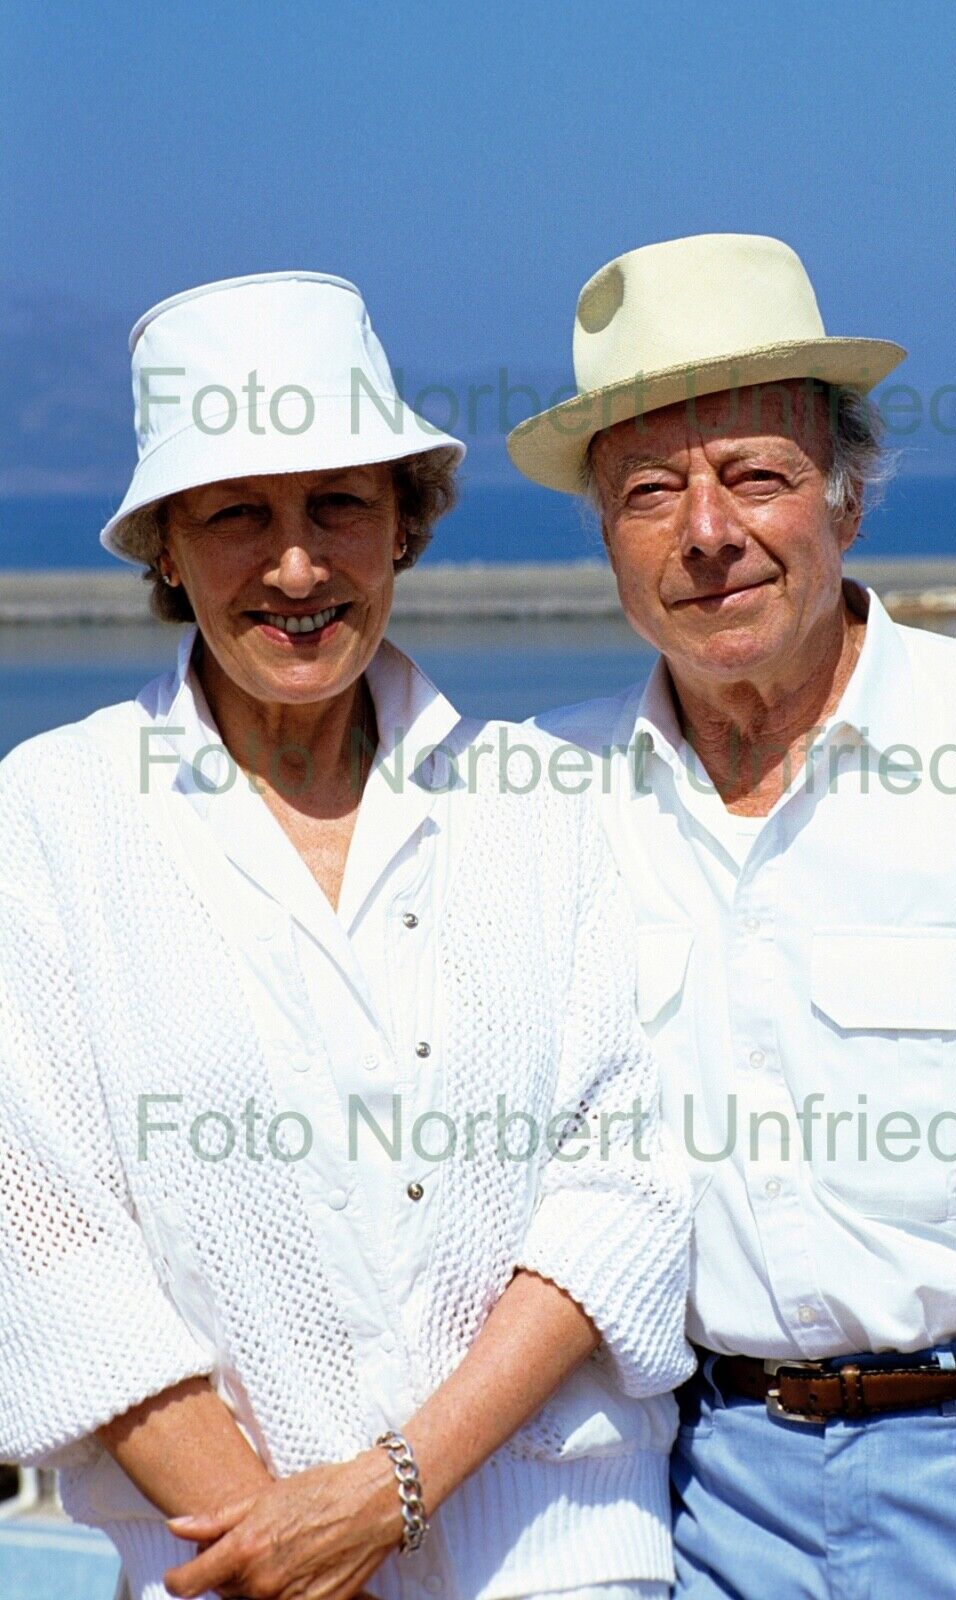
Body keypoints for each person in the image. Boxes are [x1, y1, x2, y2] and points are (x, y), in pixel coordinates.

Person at [0, 270, 695, 1600]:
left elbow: (622, 1182)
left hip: (563, 1560)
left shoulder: (537, 804)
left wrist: (387, 1497)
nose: (299, 564)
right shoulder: (54, 817)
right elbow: (42, 1232)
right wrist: (280, 1547)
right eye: (236, 516)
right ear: (163, 545)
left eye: (338, 506)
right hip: (224, 1574)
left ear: (404, 523)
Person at [511, 233, 956, 1598]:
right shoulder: (529, 798)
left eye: (756, 476)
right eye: (651, 491)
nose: (708, 534)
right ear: (605, 540)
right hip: (695, 1498)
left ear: (846, 505)